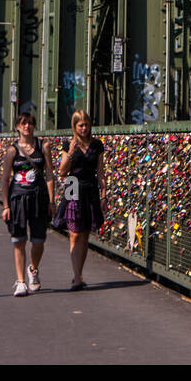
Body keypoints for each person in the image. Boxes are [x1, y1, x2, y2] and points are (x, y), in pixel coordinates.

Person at [0, 112, 56, 296]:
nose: (27, 127)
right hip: (18, 199)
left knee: (38, 241)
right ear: (17, 127)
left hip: (39, 199)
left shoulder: (43, 146)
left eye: (30, 123)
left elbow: (49, 174)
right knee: (19, 241)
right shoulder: (12, 151)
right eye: (23, 124)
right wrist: (6, 205)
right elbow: (5, 178)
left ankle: (33, 269)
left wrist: (51, 200)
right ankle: (20, 281)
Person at [56, 109, 106, 292]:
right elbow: (62, 171)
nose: (84, 128)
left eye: (86, 125)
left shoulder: (97, 145)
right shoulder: (68, 144)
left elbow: (100, 171)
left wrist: (104, 195)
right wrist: (70, 152)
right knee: (74, 233)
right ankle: (77, 277)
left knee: (84, 234)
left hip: (89, 186)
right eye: (80, 125)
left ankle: (79, 274)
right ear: (75, 126)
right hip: (72, 184)